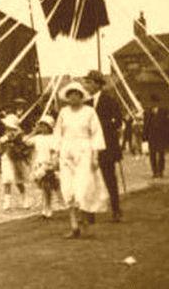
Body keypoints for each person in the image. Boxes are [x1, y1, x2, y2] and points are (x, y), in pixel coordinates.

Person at [55, 81, 108, 239]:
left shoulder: (89, 112)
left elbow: (96, 134)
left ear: (81, 96)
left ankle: (84, 221)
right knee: (68, 189)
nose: (73, 98)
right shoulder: (63, 112)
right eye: (70, 95)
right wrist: (55, 153)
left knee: (82, 189)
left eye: (76, 95)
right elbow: (58, 133)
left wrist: (95, 156)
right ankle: (74, 226)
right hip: (67, 153)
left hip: (85, 152)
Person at [84, 70, 123, 222]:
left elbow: (118, 121)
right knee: (90, 179)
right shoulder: (85, 103)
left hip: (106, 146)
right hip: (89, 147)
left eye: (90, 82)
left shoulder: (110, 100)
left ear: (98, 84)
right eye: (87, 82)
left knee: (109, 178)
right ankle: (90, 212)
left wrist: (99, 126)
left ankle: (116, 209)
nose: (88, 85)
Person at [0, 114, 32, 210]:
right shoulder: (4, 136)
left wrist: (16, 145)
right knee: (7, 180)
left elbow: (24, 148)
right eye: (7, 127)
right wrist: (2, 143)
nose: (7, 129)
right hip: (6, 158)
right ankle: (6, 202)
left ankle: (25, 199)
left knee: (18, 181)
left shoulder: (20, 136)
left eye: (9, 127)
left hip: (16, 159)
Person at [27, 115, 60, 219]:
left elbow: (54, 151)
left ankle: (48, 208)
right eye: (41, 125)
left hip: (48, 164)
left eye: (44, 125)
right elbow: (25, 141)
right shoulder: (37, 138)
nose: (42, 127)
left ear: (50, 127)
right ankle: (45, 209)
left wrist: (52, 164)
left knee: (48, 187)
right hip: (38, 164)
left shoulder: (53, 138)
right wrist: (34, 131)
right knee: (44, 188)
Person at [143, 95, 169, 178]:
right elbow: (146, 125)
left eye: (155, 102)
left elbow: (166, 124)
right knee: (152, 154)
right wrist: (145, 136)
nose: (153, 104)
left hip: (161, 135)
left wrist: (166, 135)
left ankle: (160, 171)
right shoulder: (147, 112)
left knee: (161, 154)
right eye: (152, 102)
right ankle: (154, 171)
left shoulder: (163, 112)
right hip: (152, 136)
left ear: (158, 102)